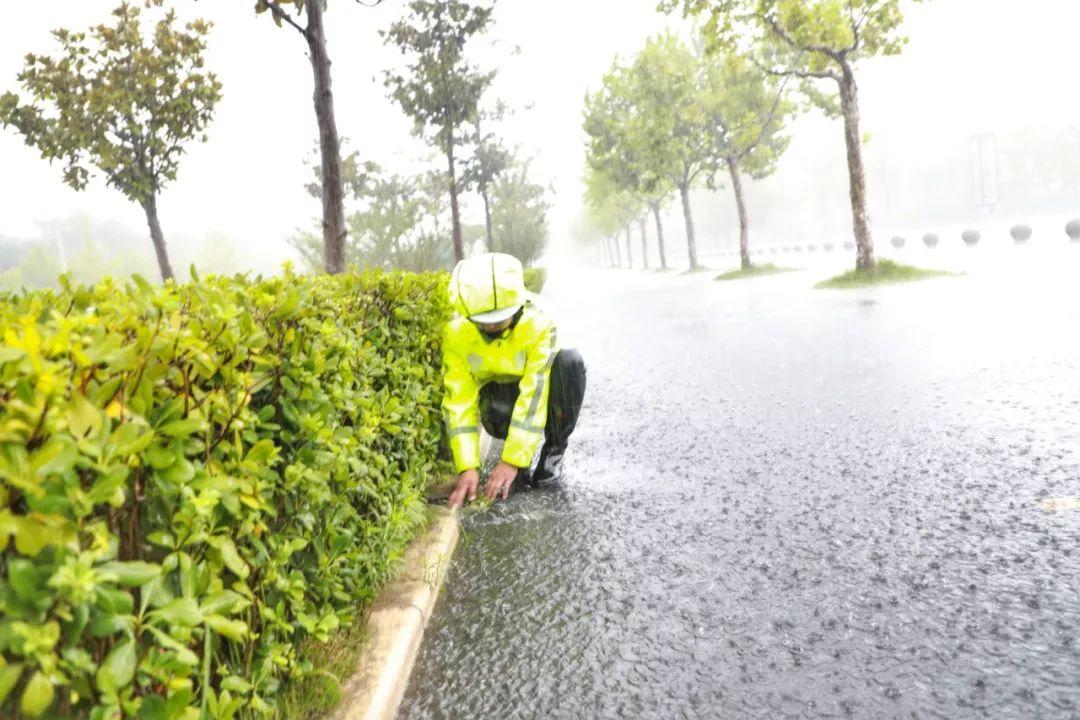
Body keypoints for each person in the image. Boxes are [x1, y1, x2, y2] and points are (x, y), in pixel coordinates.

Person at [442, 253, 586, 508]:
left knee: (570, 363)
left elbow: (534, 394)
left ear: (517, 307)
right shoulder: (456, 334)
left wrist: (511, 460)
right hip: (499, 402)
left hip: (540, 391)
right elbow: (459, 402)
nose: (492, 327)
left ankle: (553, 451)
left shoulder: (539, 323)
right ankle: (518, 464)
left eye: (499, 319)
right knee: (499, 408)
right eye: (483, 322)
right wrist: (467, 466)